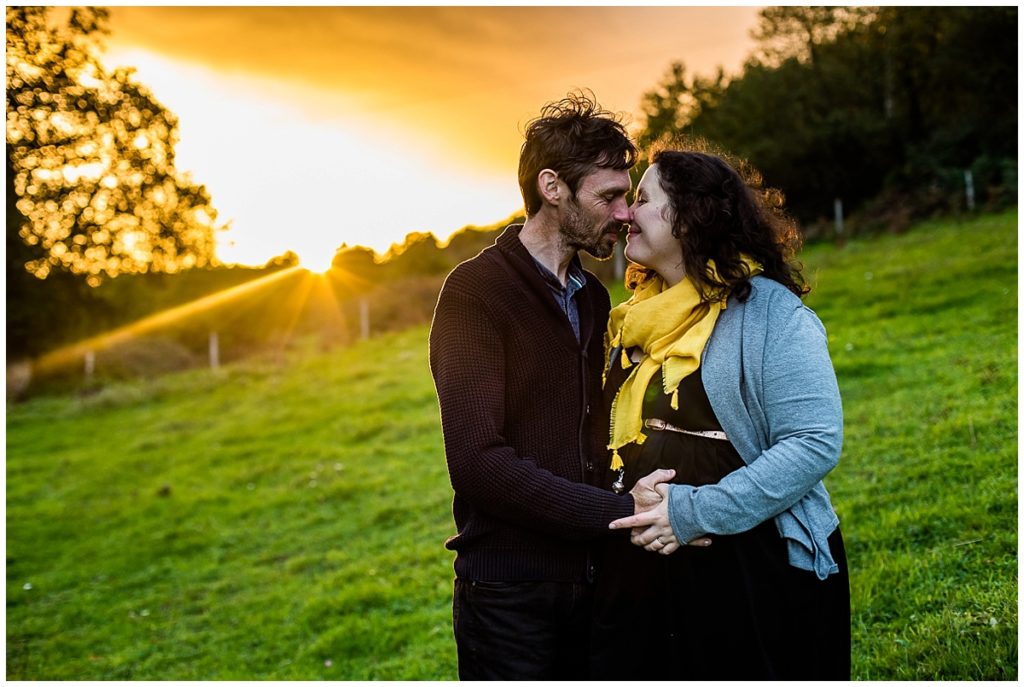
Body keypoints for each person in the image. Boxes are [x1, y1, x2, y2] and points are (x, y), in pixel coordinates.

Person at [428, 92, 684, 680]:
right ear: (552, 187)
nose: (625, 213)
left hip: (598, 582)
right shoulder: (475, 293)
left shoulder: (594, 298)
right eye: (610, 196)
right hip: (509, 594)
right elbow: (476, 462)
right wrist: (616, 513)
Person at [591, 147, 850, 680]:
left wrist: (692, 514)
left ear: (689, 216)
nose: (626, 213)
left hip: (750, 564)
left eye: (642, 199)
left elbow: (812, 441)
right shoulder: (632, 318)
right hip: (649, 564)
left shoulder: (772, 313)